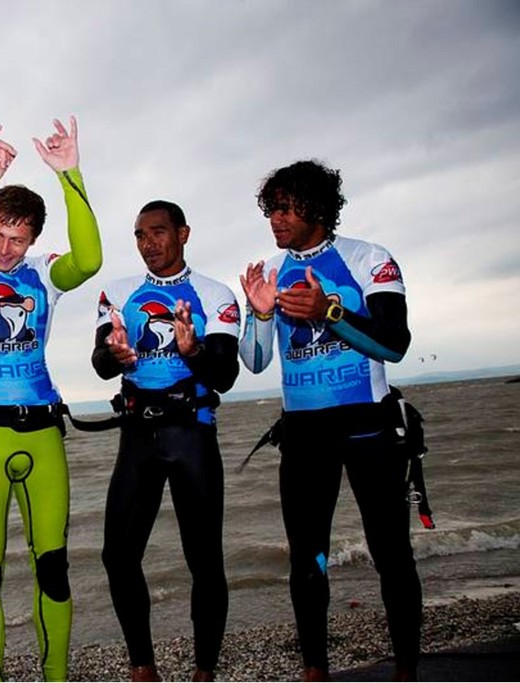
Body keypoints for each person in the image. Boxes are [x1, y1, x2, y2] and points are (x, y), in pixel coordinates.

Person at [238, 160, 421, 681]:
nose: (275, 219)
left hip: (368, 426)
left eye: (286, 207)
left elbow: (394, 343)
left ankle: (406, 667)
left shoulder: (369, 259)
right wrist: (262, 313)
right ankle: (314, 668)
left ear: (317, 207)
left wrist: (329, 312)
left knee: (391, 552)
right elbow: (254, 361)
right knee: (306, 557)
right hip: (304, 434)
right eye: (270, 209)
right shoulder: (274, 271)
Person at [0, 117, 102, 681]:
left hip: (42, 433)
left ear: (32, 240)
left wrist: (69, 174)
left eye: (18, 239)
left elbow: (91, 259)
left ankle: (55, 679)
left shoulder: (44, 276)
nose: (5, 250)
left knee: (53, 568)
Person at [92, 200, 240, 682]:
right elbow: (100, 363)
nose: (147, 242)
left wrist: (192, 349)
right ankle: (142, 667)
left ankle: (204, 671)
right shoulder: (117, 293)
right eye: (139, 234)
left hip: (191, 433)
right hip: (138, 436)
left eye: (157, 232)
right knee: (117, 554)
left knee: (204, 560)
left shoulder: (215, 296)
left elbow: (225, 374)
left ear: (183, 234)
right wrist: (115, 355)